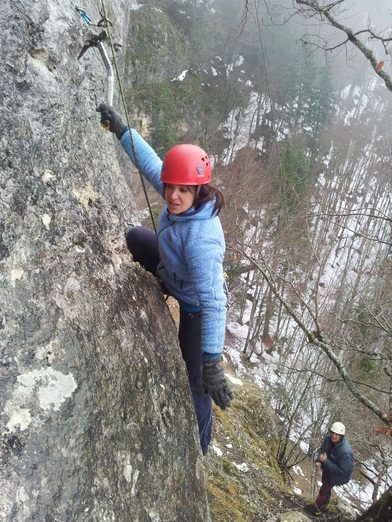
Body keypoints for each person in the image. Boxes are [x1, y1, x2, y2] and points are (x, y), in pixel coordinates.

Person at [97, 103, 234, 456]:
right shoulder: (177, 193)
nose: (172, 195)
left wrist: (212, 361)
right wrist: (123, 131)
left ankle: (201, 446)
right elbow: (151, 163)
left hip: (195, 306)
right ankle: (158, 285)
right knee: (132, 236)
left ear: (199, 191)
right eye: (170, 187)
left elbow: (214, 300)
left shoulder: (202, 238)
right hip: (169, 271)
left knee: (196, 384)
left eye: (182, 190)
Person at [311, 421, 354, 516]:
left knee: (324, 489)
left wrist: (325, 461)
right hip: (328, 468)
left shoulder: (345, 452)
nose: (333, 436)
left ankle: (317, 507)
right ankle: (325, 505)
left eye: (337, 434)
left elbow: (341, 470)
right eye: (332, 433)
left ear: (341, 436)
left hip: (337, 475)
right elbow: (322, 450)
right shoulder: (328, 440)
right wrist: (318, 460)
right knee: (326, 487)